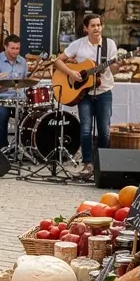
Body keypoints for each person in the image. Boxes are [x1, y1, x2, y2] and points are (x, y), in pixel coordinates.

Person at [55, 13, 117, 176]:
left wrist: (118, 65)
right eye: (93, 26)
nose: (97, 28)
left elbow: (115, 69)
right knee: (85, 130)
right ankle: (87, 163)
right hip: (85, 94)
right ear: (86, 28)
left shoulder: (109, 45)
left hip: (104, 92)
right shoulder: (78, 45)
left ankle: (103, 163)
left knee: (104, 131)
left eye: (99, 25)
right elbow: (58, 61)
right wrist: (71, 73)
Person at [0, 34, 27, 152]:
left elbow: (24, 82)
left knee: (29, 117)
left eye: (17, 48)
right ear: (5, 47)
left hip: (19, 98)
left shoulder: (23, 62)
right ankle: (4, 148)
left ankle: (23, 146)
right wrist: (3, 85)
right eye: (12, 48)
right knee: (3, 116)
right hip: (1, 99)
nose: (15, 51)